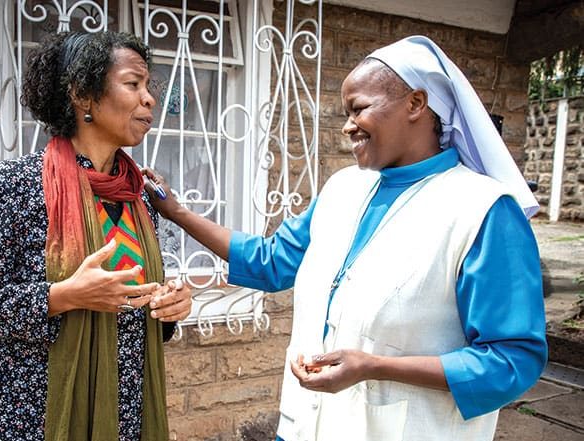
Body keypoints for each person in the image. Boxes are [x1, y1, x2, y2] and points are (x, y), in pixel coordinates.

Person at [143, 35, 547, 441]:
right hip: (305, 427)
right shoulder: (343, 189)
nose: (348, 126)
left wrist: (375, 366)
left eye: (359, 109)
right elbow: (272, 262)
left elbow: (512, 360)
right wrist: (176, 212)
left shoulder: (483, 211)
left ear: (416, 104)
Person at [0, 31, 192, 441]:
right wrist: (64, 296)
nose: (149, 99)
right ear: (82, 95)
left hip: (119, 413)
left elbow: (130, 305)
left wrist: (167, 307)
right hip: (21, 416)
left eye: (149, 87)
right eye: (133, 84)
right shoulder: (12, 185)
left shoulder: (136, 197)